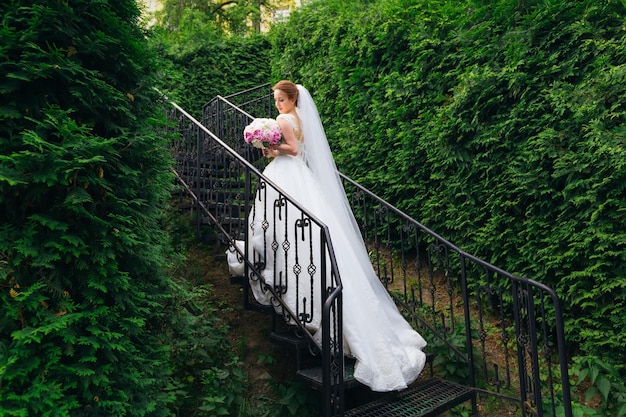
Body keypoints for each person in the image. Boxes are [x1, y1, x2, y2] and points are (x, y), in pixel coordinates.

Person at [231, 80, 427, 392]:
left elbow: (292, 150)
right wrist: (272, 148)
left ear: (292, 99)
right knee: (294, 231)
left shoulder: (284, 120)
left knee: (287, 228)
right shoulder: (299, 119)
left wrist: (270, 146)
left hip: (287, 176)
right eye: (276, 100)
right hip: (297, 178)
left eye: (281, 99)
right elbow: (298, 149)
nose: (278, 104)